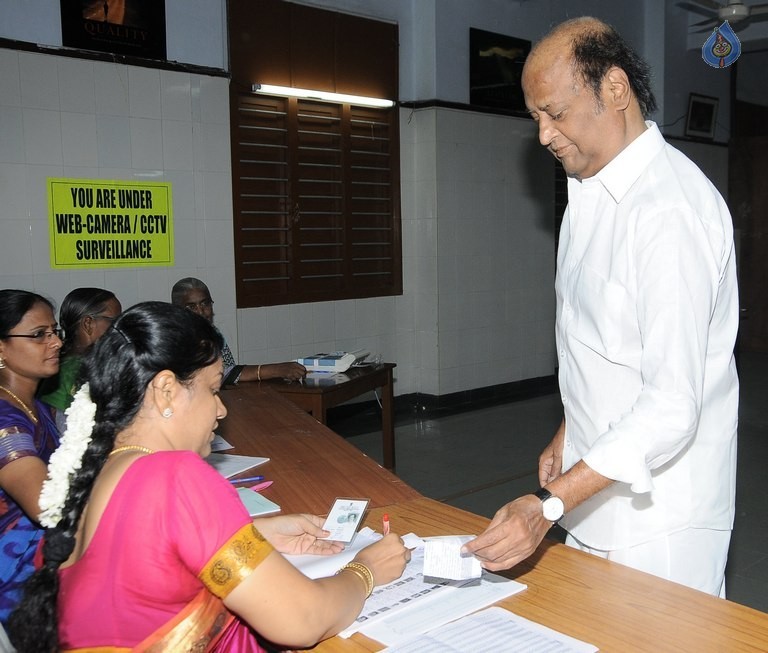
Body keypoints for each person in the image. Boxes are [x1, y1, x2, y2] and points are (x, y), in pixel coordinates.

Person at [462, 17, 739, 597]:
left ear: (614, 90)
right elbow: (605, 344)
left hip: (660, 522)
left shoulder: (668, 213)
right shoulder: (588, 193)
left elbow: (670, 406)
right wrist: (571, 429)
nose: (542, 135)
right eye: (535, 117)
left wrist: (548, 505)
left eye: (554, 114)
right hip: (592, 497)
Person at [8, 302, 408, 651]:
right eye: (212, 390)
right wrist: (366, 569)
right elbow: (303, 621)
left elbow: (147, 554)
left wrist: (257, 533)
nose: (221, 411)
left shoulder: (98, 470)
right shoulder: (176, 475)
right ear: (165, 391)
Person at [0, 289, 62, 624]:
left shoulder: (37, 408)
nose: (56, 343)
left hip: (46, 559)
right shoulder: (3, 418)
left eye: (55, 332)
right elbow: (46, 503)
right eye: (40, 335)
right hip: (16, 579)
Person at [171, 277, 307, 384]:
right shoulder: (175, 339)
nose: (201, 312)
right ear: (177, 311)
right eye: (191, 307)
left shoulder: (214, 333)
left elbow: (230, 368)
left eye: (205, 303)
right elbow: (217, 375)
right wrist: (274, 370)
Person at [39, 288, 122, 432]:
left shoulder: (58, 362)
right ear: (88, 324)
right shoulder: (74, 369)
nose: (119, 329)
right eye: (114, 321)